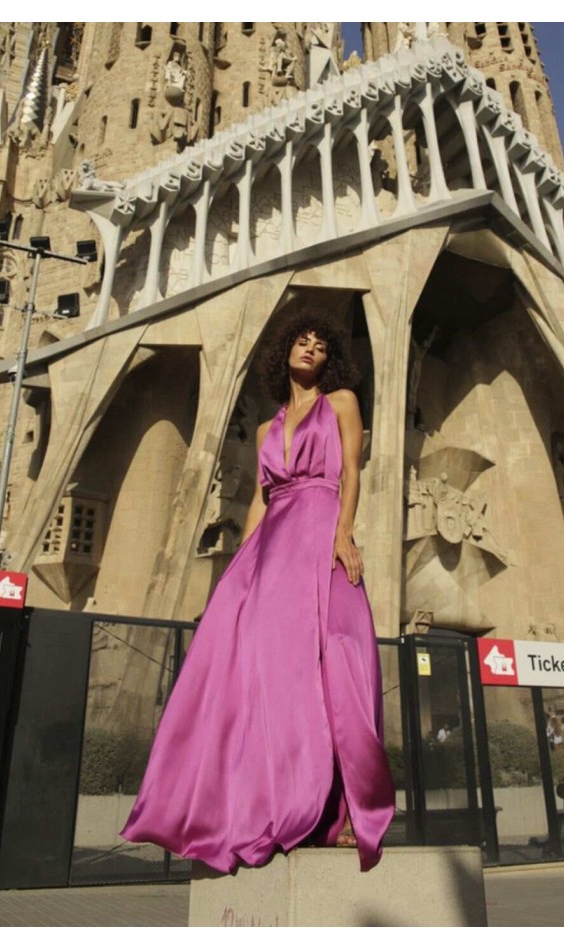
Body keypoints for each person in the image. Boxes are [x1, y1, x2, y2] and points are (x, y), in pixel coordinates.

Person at [121, 316, 396, 872]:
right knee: (269, 677)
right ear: (285, 352)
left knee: (340, 668)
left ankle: (345, 812)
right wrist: (240, 570)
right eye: (302, 341)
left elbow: (351, 472)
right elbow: (260, 501)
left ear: (329, 360)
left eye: (321, 345)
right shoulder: (269, 429)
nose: (311, 349)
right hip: (274, 550)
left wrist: (344, 532)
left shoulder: (342, 402)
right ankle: (261, 805)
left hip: (322, 533)